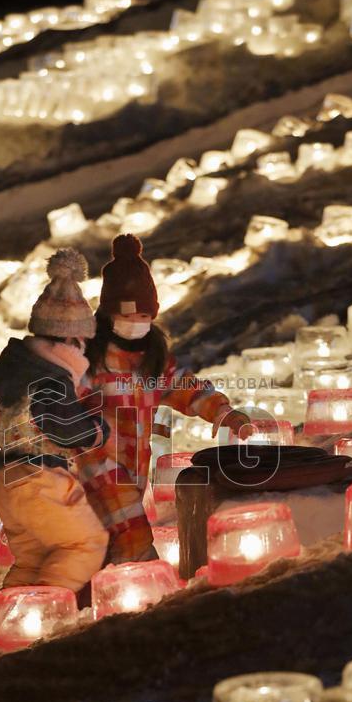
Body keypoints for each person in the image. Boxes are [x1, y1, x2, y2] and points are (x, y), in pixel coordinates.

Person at [76, 234, 250, 563]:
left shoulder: (152, 360)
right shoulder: (90, 360)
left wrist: (222, 411)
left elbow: (185, 387)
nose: (137, 325)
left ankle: (102, 588)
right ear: (109, 315)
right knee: (133, 538)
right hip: (97, 468)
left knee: (102, 546)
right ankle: (148, 582)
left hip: (135, 470)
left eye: (144, 318)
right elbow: (60, 403)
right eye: (129, 317)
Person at [0, 247, 108, 593]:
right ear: (71, 339)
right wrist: (96, 430)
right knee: (84, 544)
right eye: (83, 342)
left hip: (5, 479)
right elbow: (64, 427)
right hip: (38, 479)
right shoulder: (51, 378)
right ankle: (47, 608)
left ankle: (9, 614)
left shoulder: (18, 368)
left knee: (33, 558)